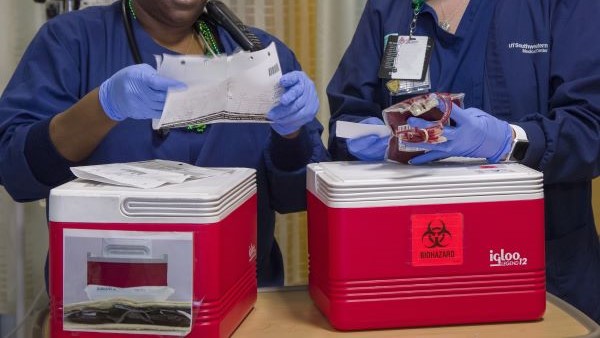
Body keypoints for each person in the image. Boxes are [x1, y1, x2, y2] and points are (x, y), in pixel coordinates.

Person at [0, 0, 329, 287]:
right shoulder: (72, 40)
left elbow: (296, 197)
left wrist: (292, 134)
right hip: (107, 298)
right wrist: (104, 106)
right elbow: (17, 172)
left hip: (244, 296)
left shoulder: (260, 55)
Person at [327, 0, 600, 322]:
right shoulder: (389, 8)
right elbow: (348, 116)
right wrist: (361, 138)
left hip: (537, 259)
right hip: (408, 262)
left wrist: (509, 140)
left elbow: (589, 127)